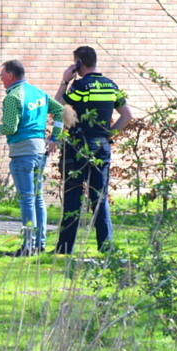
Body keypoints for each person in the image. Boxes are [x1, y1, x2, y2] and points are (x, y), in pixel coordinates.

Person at [53, 46, 133, 254]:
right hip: (101, 147)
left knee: (73, 196)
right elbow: (127, 116)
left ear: (79, 63)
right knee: (100, 198)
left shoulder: (81, 86)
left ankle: (64, 249)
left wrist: (64, 81)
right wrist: (108, 135)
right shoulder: (111, 86)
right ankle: (106, 248)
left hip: (79, 147)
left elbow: (59, 106)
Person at [0, 60, 64, 257]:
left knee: (27, 200)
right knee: (37, 198)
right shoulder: (38, 93)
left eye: (2, 75)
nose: (1, 79)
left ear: (11, 75)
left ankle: (28, 245)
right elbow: (61, 110)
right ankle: (40, 243)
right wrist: (56, 138)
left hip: (22, 152)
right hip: (39, 150)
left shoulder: (13, 97)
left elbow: (10, 128)